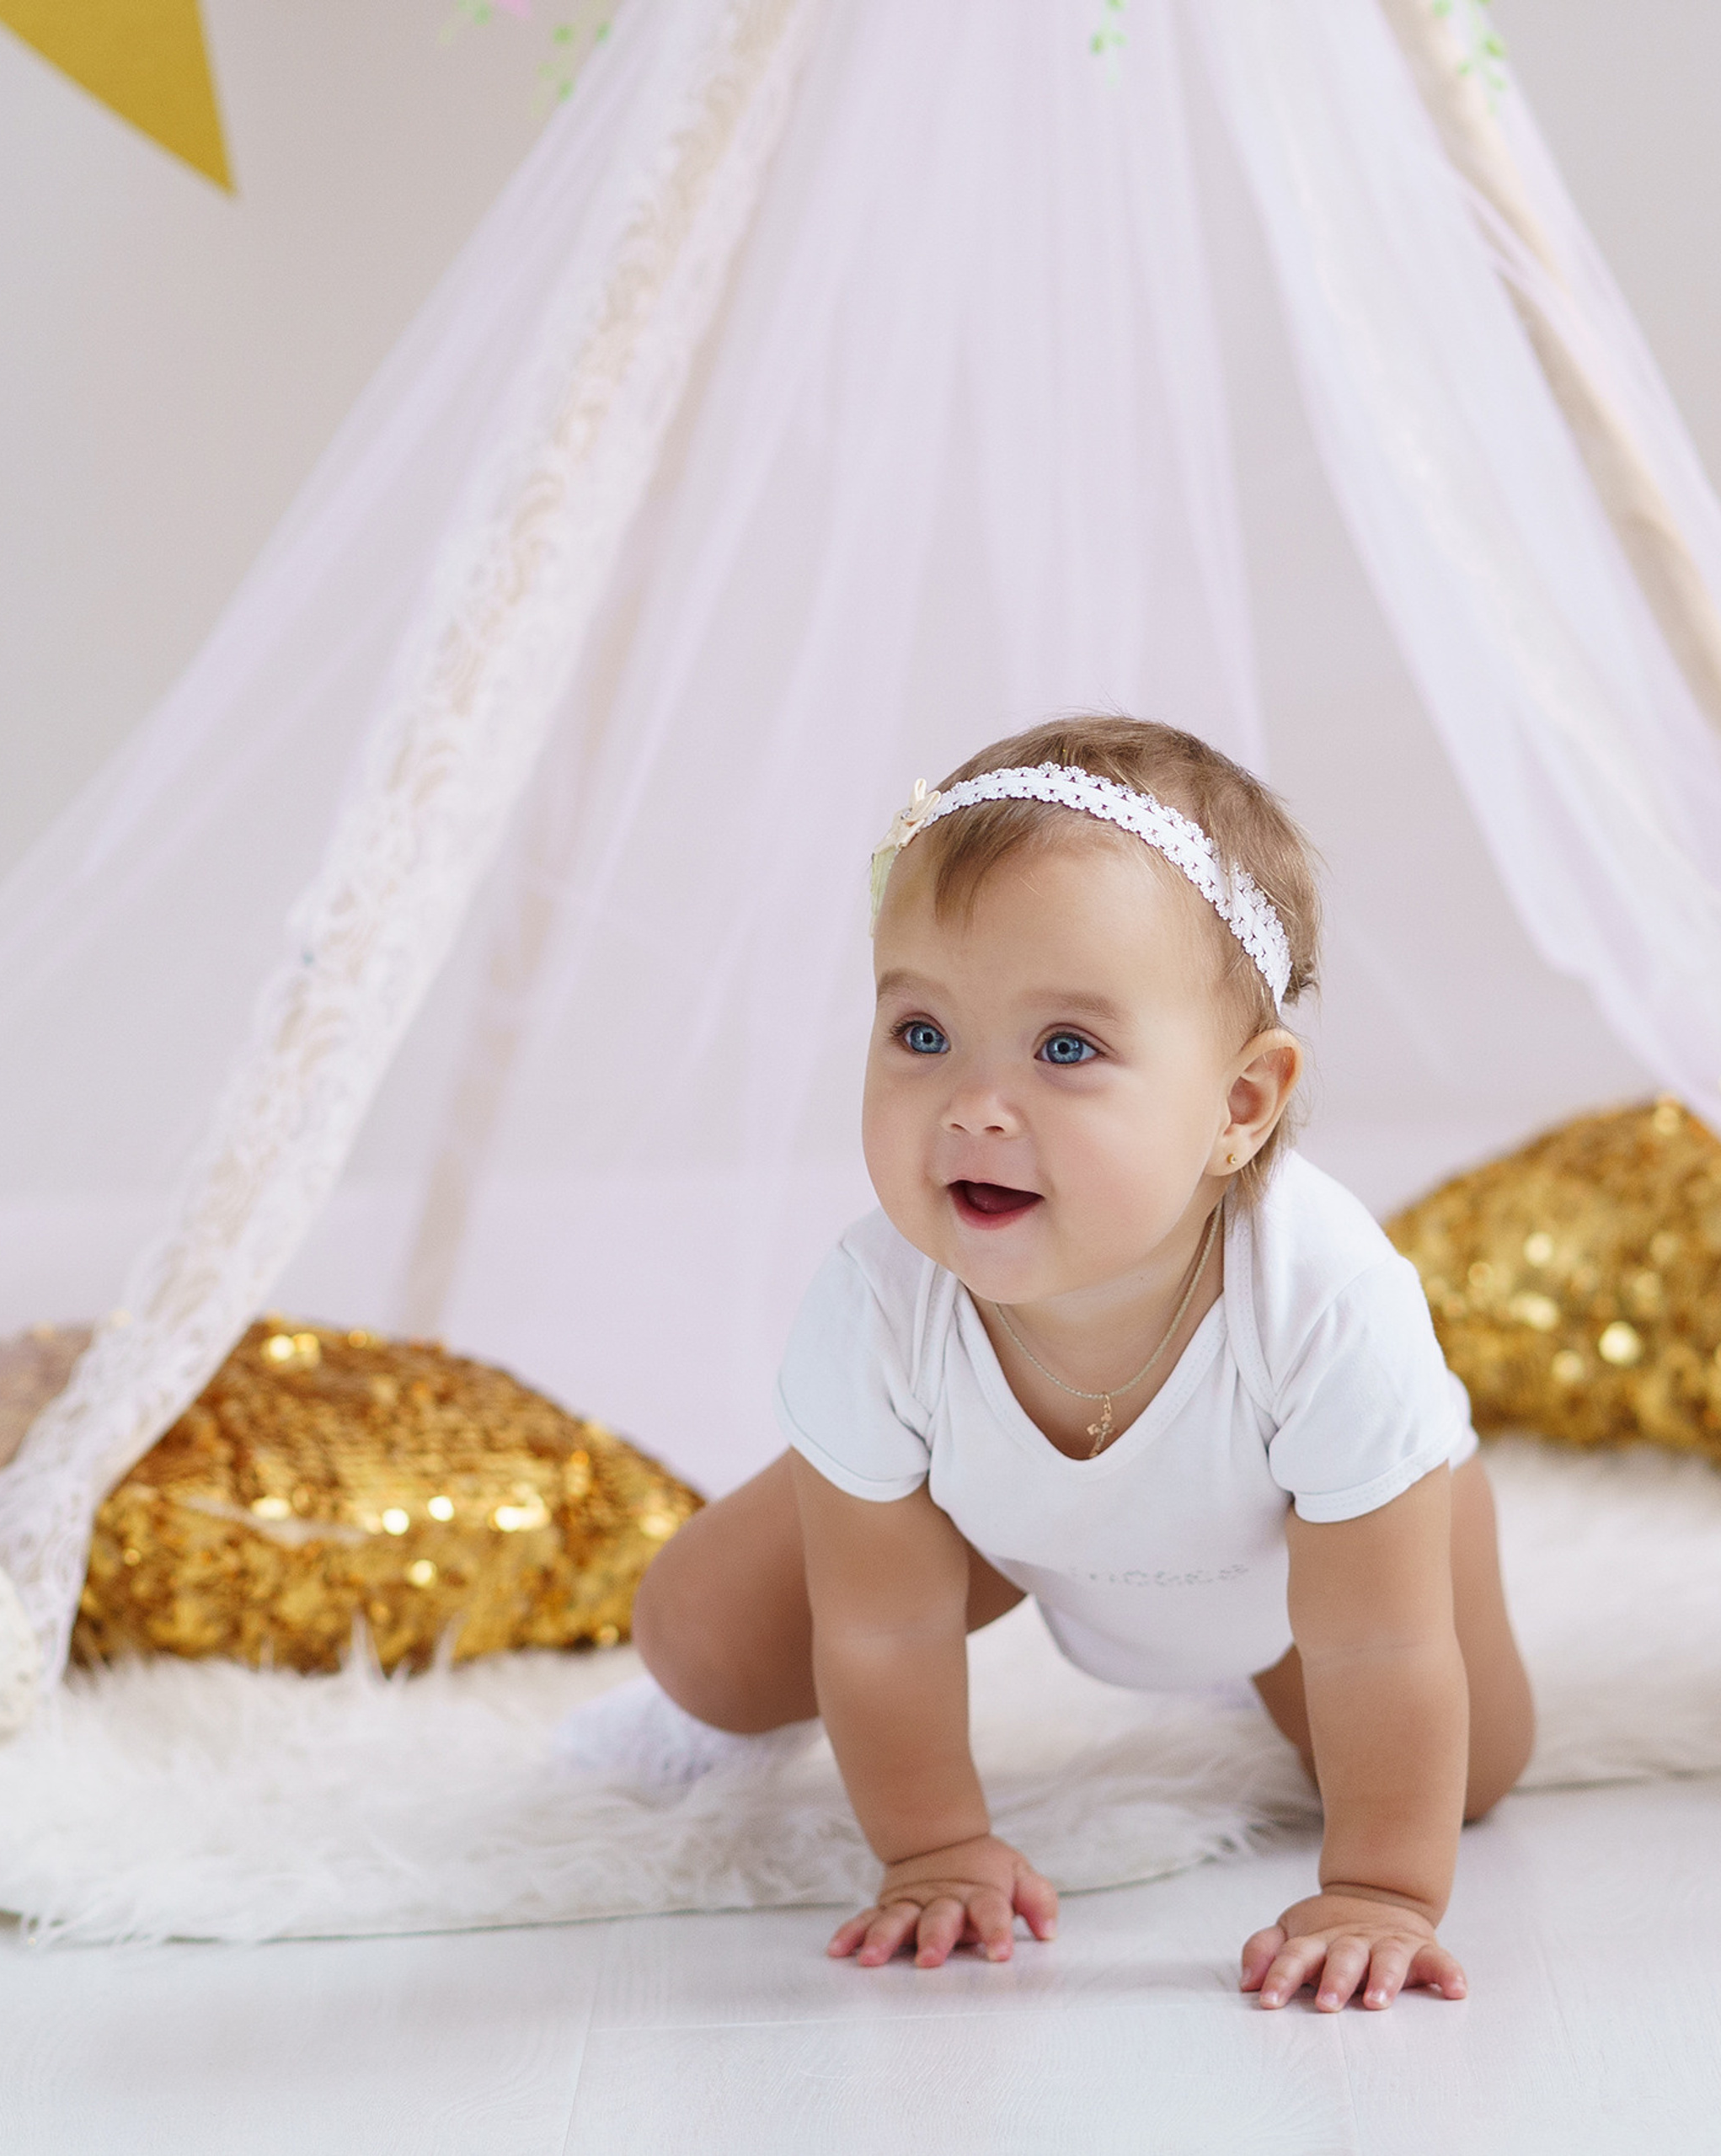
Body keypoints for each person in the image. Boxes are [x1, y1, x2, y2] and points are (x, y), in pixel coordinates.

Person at [599, 715, 1534, 2013]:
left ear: (1240, 1106)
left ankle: (1406, 1518)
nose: (975, 1107)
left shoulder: (1326, 1301)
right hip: (1013, 1528)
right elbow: (880, 1626)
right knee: (701, 1634)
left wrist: (1379, 1890)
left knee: (1465, 1768)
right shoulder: (880, 1299)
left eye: (1066, 1050)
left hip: (1301, 1548)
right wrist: (933, 1847)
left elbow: (1378, 1646)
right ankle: (894, 1498)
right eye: (922, 1034)